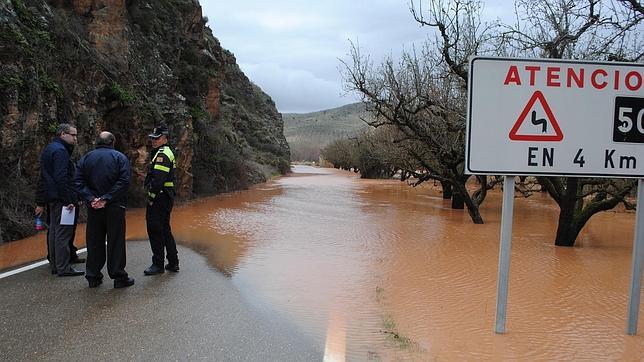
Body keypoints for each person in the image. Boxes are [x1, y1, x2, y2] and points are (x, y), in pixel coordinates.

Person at [74, 132, 134, 289]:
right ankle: (119, 276)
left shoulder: (86, 158)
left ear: (97, 142)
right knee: (115, 242)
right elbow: (124, 181)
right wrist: (106, 198)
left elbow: (78, 181)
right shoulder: (120, 158)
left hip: (94, 207)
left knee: (94, 242)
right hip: (114, 206)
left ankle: (93, 276)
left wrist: (92, 198)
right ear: (112, 142)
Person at [40, 123, 83, 277]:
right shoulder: (60, 151)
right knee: (63, 232)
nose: (75, 138)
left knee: (54, 230)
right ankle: (63, 267)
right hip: (61, 198)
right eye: (73, 135)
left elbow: (45, 177)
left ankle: (55, 263)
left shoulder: (50, 148)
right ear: (62, 134)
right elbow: (61, 178)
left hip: (52, 196)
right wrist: (68, 200)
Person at [143, 125, 179, 275]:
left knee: (155, 230)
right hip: (166, 196)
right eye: (152, 138)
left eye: (156, 138)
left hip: (160, 197)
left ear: (164, 138)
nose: (153, 141)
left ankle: (158, 264)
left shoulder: (162, 155)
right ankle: (172, 262)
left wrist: (151, 197)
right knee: (164, 229)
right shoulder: (165, 152)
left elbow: (158, 180)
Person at [35, 178, 85, 266]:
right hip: (62, 200)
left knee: (69, 229)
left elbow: (73, 179)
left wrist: (78, 196)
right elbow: (45, 181)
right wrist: (40, 202)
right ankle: (57, 261)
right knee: (60, 232)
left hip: (67, 197)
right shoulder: (57, 166)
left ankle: (69, 255)